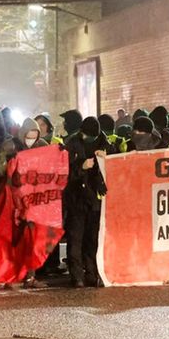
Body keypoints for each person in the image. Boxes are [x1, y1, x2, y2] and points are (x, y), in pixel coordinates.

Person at [63, 117, 107, 288]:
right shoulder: (72, 143)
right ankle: (76, 275)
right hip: (76, 198)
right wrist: (81, 167)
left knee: (92, 238)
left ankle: (92, 273)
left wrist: (106, 158)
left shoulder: (104, 142)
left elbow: (116, 165)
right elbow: (65, 171)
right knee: (76, 238)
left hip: (95, 198)